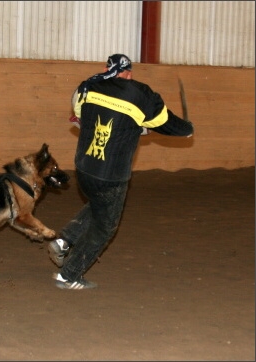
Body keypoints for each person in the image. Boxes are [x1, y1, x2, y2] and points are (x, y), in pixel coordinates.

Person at [48, 53, 194, 290]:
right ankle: (69, 275)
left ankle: (65, 240)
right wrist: (187, 129)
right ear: (128, 73)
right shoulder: (140, 93)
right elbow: (164, 121)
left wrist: (134, 127)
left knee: (99, 204)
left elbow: (81, 116)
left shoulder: (89, 86)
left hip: (84, 168)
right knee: (105, 226)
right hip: (111, 174)